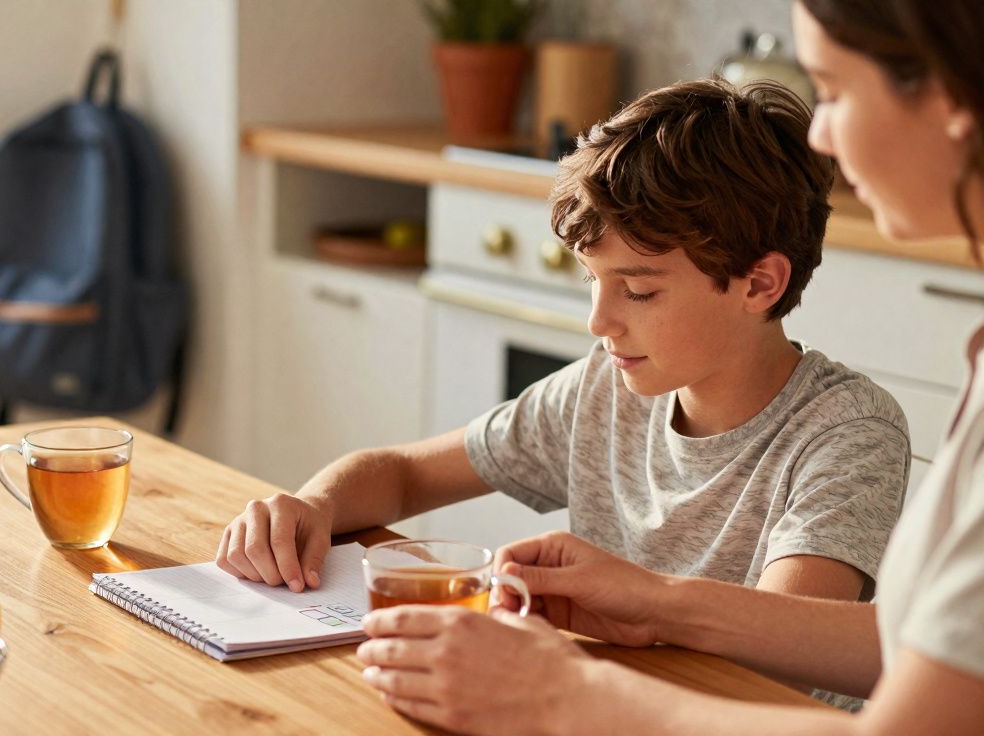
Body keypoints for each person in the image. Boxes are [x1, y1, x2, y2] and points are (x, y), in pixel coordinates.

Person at [356, 1, 984, 734]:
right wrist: (653, 601)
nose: (820, 133)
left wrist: (561, 693)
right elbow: (916, 651)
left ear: (947, 100)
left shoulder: (845, 426)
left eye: (834, 91)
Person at [219, 80, 910, 610]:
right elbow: (403, 474)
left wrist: (635, 606)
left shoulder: (846, 432)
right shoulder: (603, 390)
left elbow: (782, 634)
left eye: (638, 291)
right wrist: (313, 506)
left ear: (760, 283)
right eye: (592, 281)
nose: (599, 321)